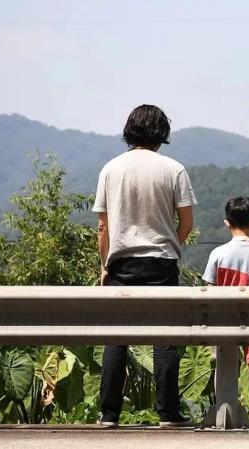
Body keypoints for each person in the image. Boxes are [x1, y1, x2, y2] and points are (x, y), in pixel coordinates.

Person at [93, 104, 197, 428]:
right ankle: (168, 413)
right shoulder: (174, 169)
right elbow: (187, 222)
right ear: (162, 132)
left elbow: (102, 227)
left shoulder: (110, 169)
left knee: (117, 338)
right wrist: (172, 245)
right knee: (165, 339)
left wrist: (104, 265)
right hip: (162, 263)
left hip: (122, 262)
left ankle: (109, 414)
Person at [202, 196, 249, 429]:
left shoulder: (218, 254)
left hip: (225, 322)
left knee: (224, 357)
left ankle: (224, 410)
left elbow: (209, 289)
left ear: (227, 223)